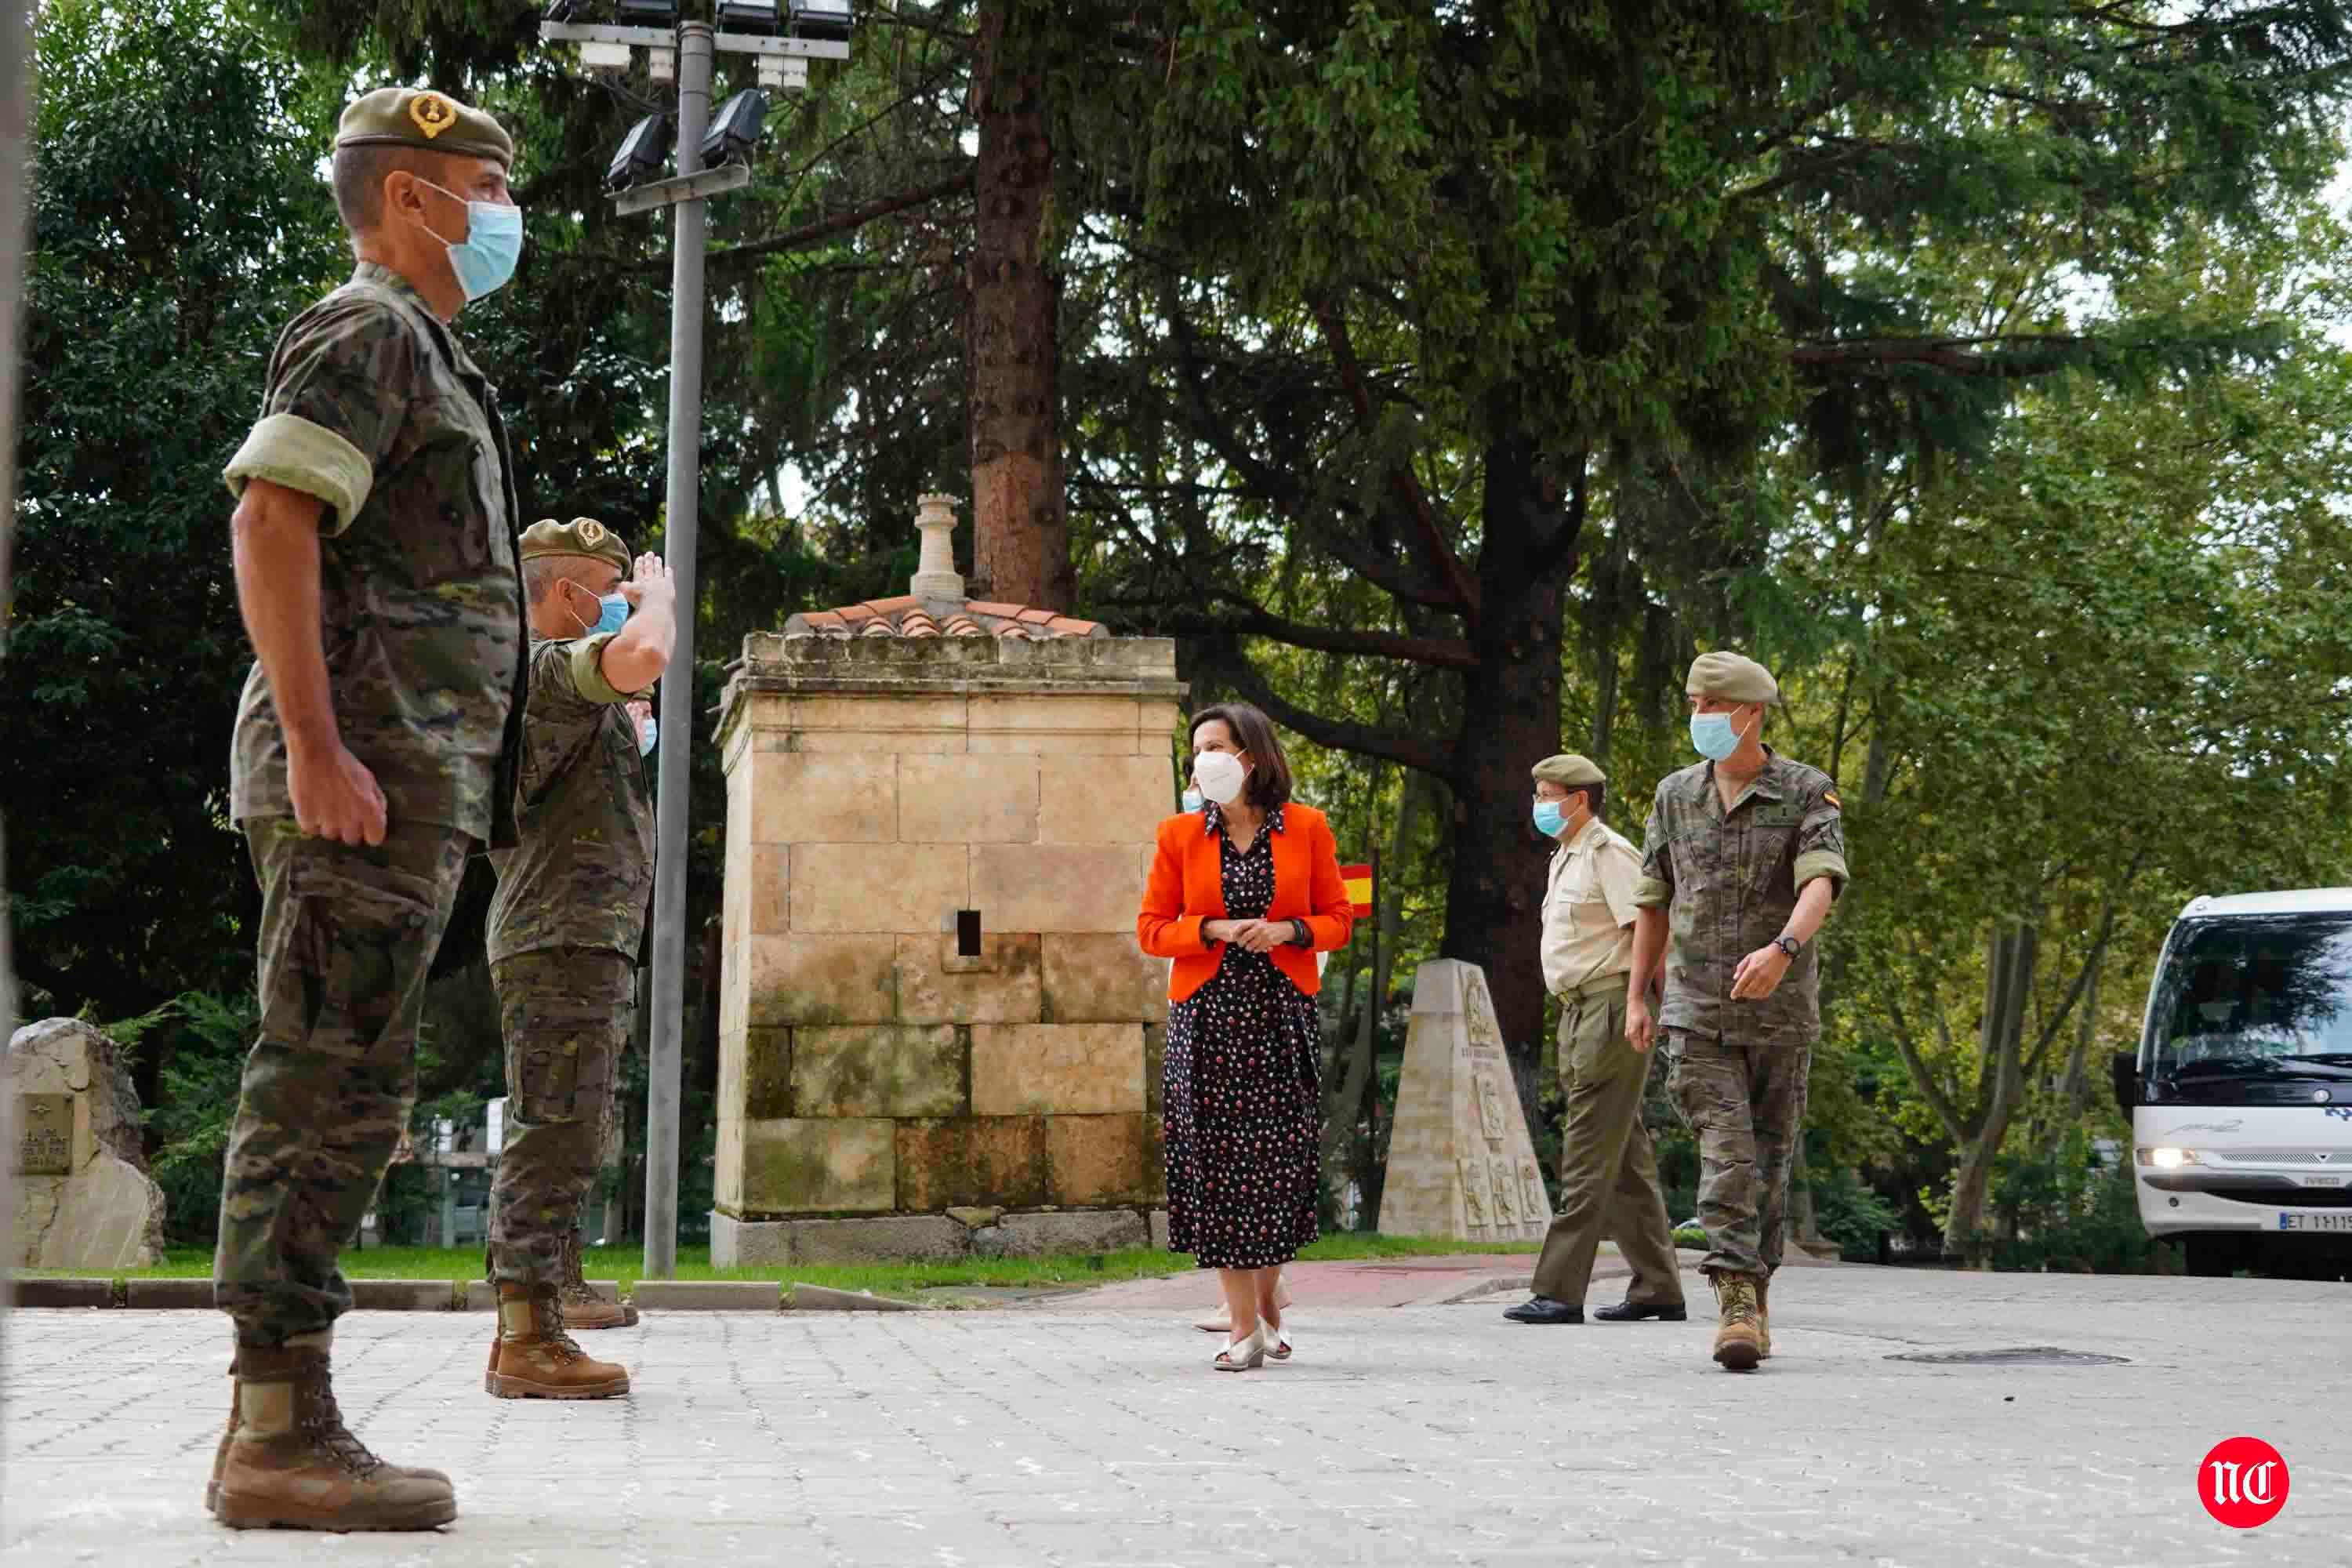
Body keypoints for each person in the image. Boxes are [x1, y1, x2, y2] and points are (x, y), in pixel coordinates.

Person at [209, 86, 527, 1530]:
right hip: (357, 781)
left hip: (403, 788)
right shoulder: (370, 330)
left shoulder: (426, 353)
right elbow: (270, 519)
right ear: (414, 196)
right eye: (488, 183)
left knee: (355, 1091)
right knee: (318, 1086)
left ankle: (295, 1412)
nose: (505, 212)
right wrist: (324, 753)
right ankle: (271, 1433)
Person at [480, 519, 674, 1398]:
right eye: (611, 588)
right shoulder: (546, 664)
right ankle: (525, 1336)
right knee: (551, 1129)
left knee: (566, 1127)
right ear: (568, 595)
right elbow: (642, 657)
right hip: (559, 932)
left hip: (575, 932)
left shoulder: (552, 679)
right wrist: (658, 602)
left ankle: (547, 1299)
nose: (622, 602)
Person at [1627, 652, 1848, 1372]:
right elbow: (1653, 901)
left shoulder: (1806, 791)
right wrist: (1639, 995)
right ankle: (1735, 1303)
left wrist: (1783, 947)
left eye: (1711, 705)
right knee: (1728, 1152)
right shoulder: (1674, 796)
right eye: (1693, 703)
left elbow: (1822, 882)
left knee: (1771, 1162)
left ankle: (1756, 1289)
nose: (1699, 719)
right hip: (1694, 1009)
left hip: (1779, 1011)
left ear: (1750, 713)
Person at [1138, 703, 1353, 1370]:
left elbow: (1339, 918)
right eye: (1197, 748)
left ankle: (1267, 1312)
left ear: (1250, 757)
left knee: (1275, 1169)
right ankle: (1242, 1331)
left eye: (1217, 746)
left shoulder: (1307, 829)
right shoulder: (1178, 834)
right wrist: (1211, 929)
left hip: (1279, 1016)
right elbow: (1150, 929)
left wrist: (1287, 931)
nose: (1203, 759)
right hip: (1205, 1019)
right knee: (1219, 1170)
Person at [1504, 754, 1685, 1327]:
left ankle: (1559, 1289)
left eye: (1548, 793)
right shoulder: (1567, 857)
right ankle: (1658, 1287)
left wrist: (1646, 1005)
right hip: (1581, 1010)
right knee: (1622, 1154)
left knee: (1586, 1145)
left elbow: (1650, 932)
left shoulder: (1610, 853)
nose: (1539, 804)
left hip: (1612, 1005)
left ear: (1579, 800)